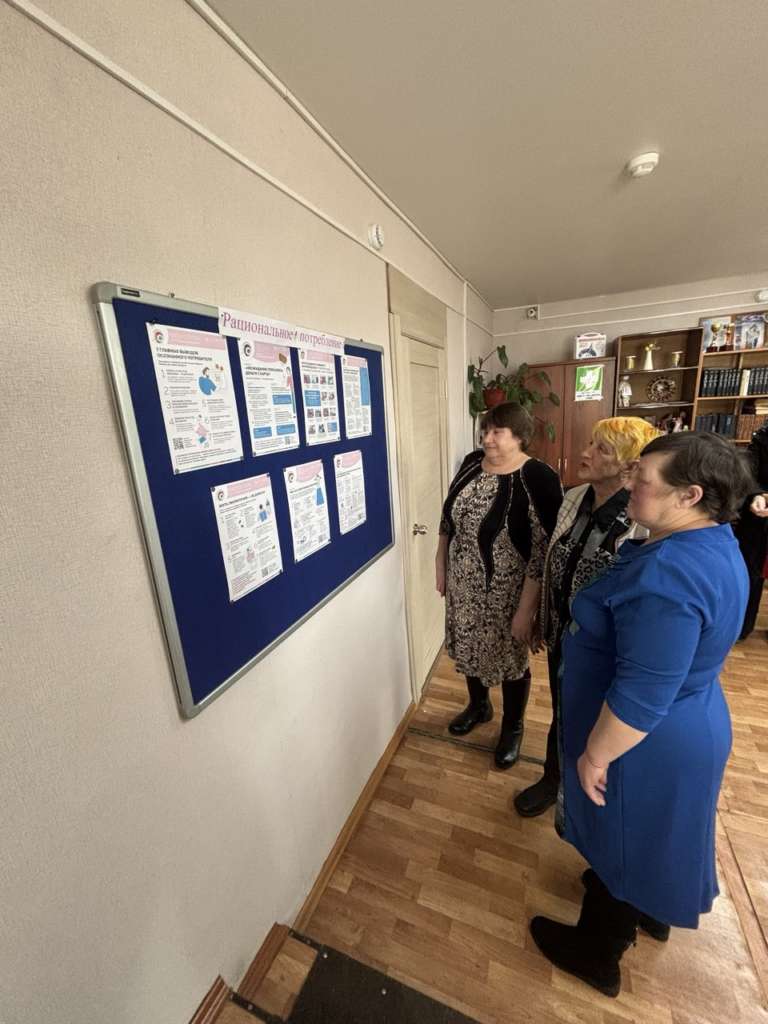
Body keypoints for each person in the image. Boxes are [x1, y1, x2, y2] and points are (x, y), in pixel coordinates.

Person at [529, 432, 753, 998]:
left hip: (646, 738)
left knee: (626, 837)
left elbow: (644, 692)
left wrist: (594, 755)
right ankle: (650, 906)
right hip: (689, 716)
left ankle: (596, 954)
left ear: (689, 495)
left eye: (643, 478)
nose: (629, 484)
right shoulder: (710, 539)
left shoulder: (669, 576)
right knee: (653, 836)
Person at [514, 417, 660, 820]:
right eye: (591, 443)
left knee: (602, 721)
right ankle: (553, 779)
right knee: (563, 708)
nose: (585, 453)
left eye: (601, 449)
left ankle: (595, 799)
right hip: (564, 635)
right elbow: (546, 556)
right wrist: (532, 613)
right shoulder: (574, 496)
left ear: (630, 466)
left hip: (607, 647)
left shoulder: (643, 518)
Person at [435, 402, 562, 769]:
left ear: (519, 436)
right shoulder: (472, 463)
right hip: (464, 584)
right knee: (468, 644)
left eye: (496, 432)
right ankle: (479, 706)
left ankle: (513, 726)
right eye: (485, 431)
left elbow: (544, 549)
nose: (486, 439)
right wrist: (440, 562)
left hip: (509, 592)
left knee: (509, 658)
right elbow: (448, 517)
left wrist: (526, 611)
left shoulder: (538, 476)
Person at [733, 423, 768, 640]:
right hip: (758, 519)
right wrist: (757, 494)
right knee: (748, 573)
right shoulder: (763, 437)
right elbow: (748, 475)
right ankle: (741, 626)